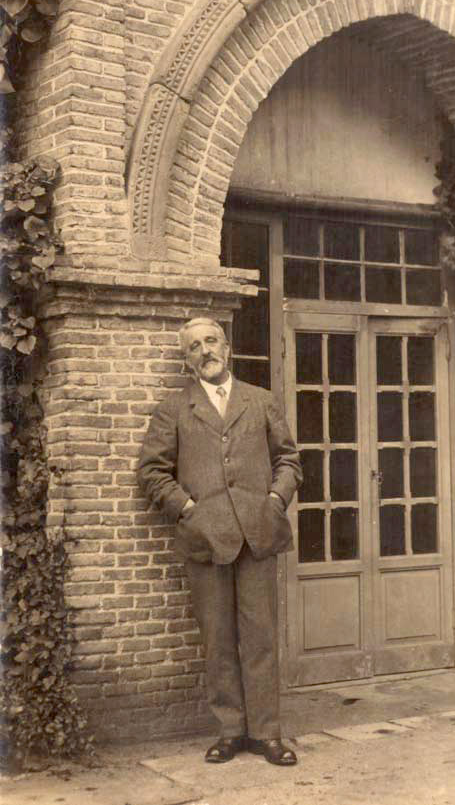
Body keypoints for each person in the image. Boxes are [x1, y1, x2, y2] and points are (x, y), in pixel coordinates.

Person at [137, 317, 302, 766]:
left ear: (227, 348)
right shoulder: (174, 408)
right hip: (206, 540)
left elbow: (289, 460)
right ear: (186, 359)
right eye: (194, 347)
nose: (204, 351)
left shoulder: (261, 401)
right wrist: (188, 509)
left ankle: (267, 734)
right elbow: (151, 471)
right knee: (218, 639)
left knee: (261, 637)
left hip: (258, 535)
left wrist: (273, 500)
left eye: (211, 341)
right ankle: (230, 731)